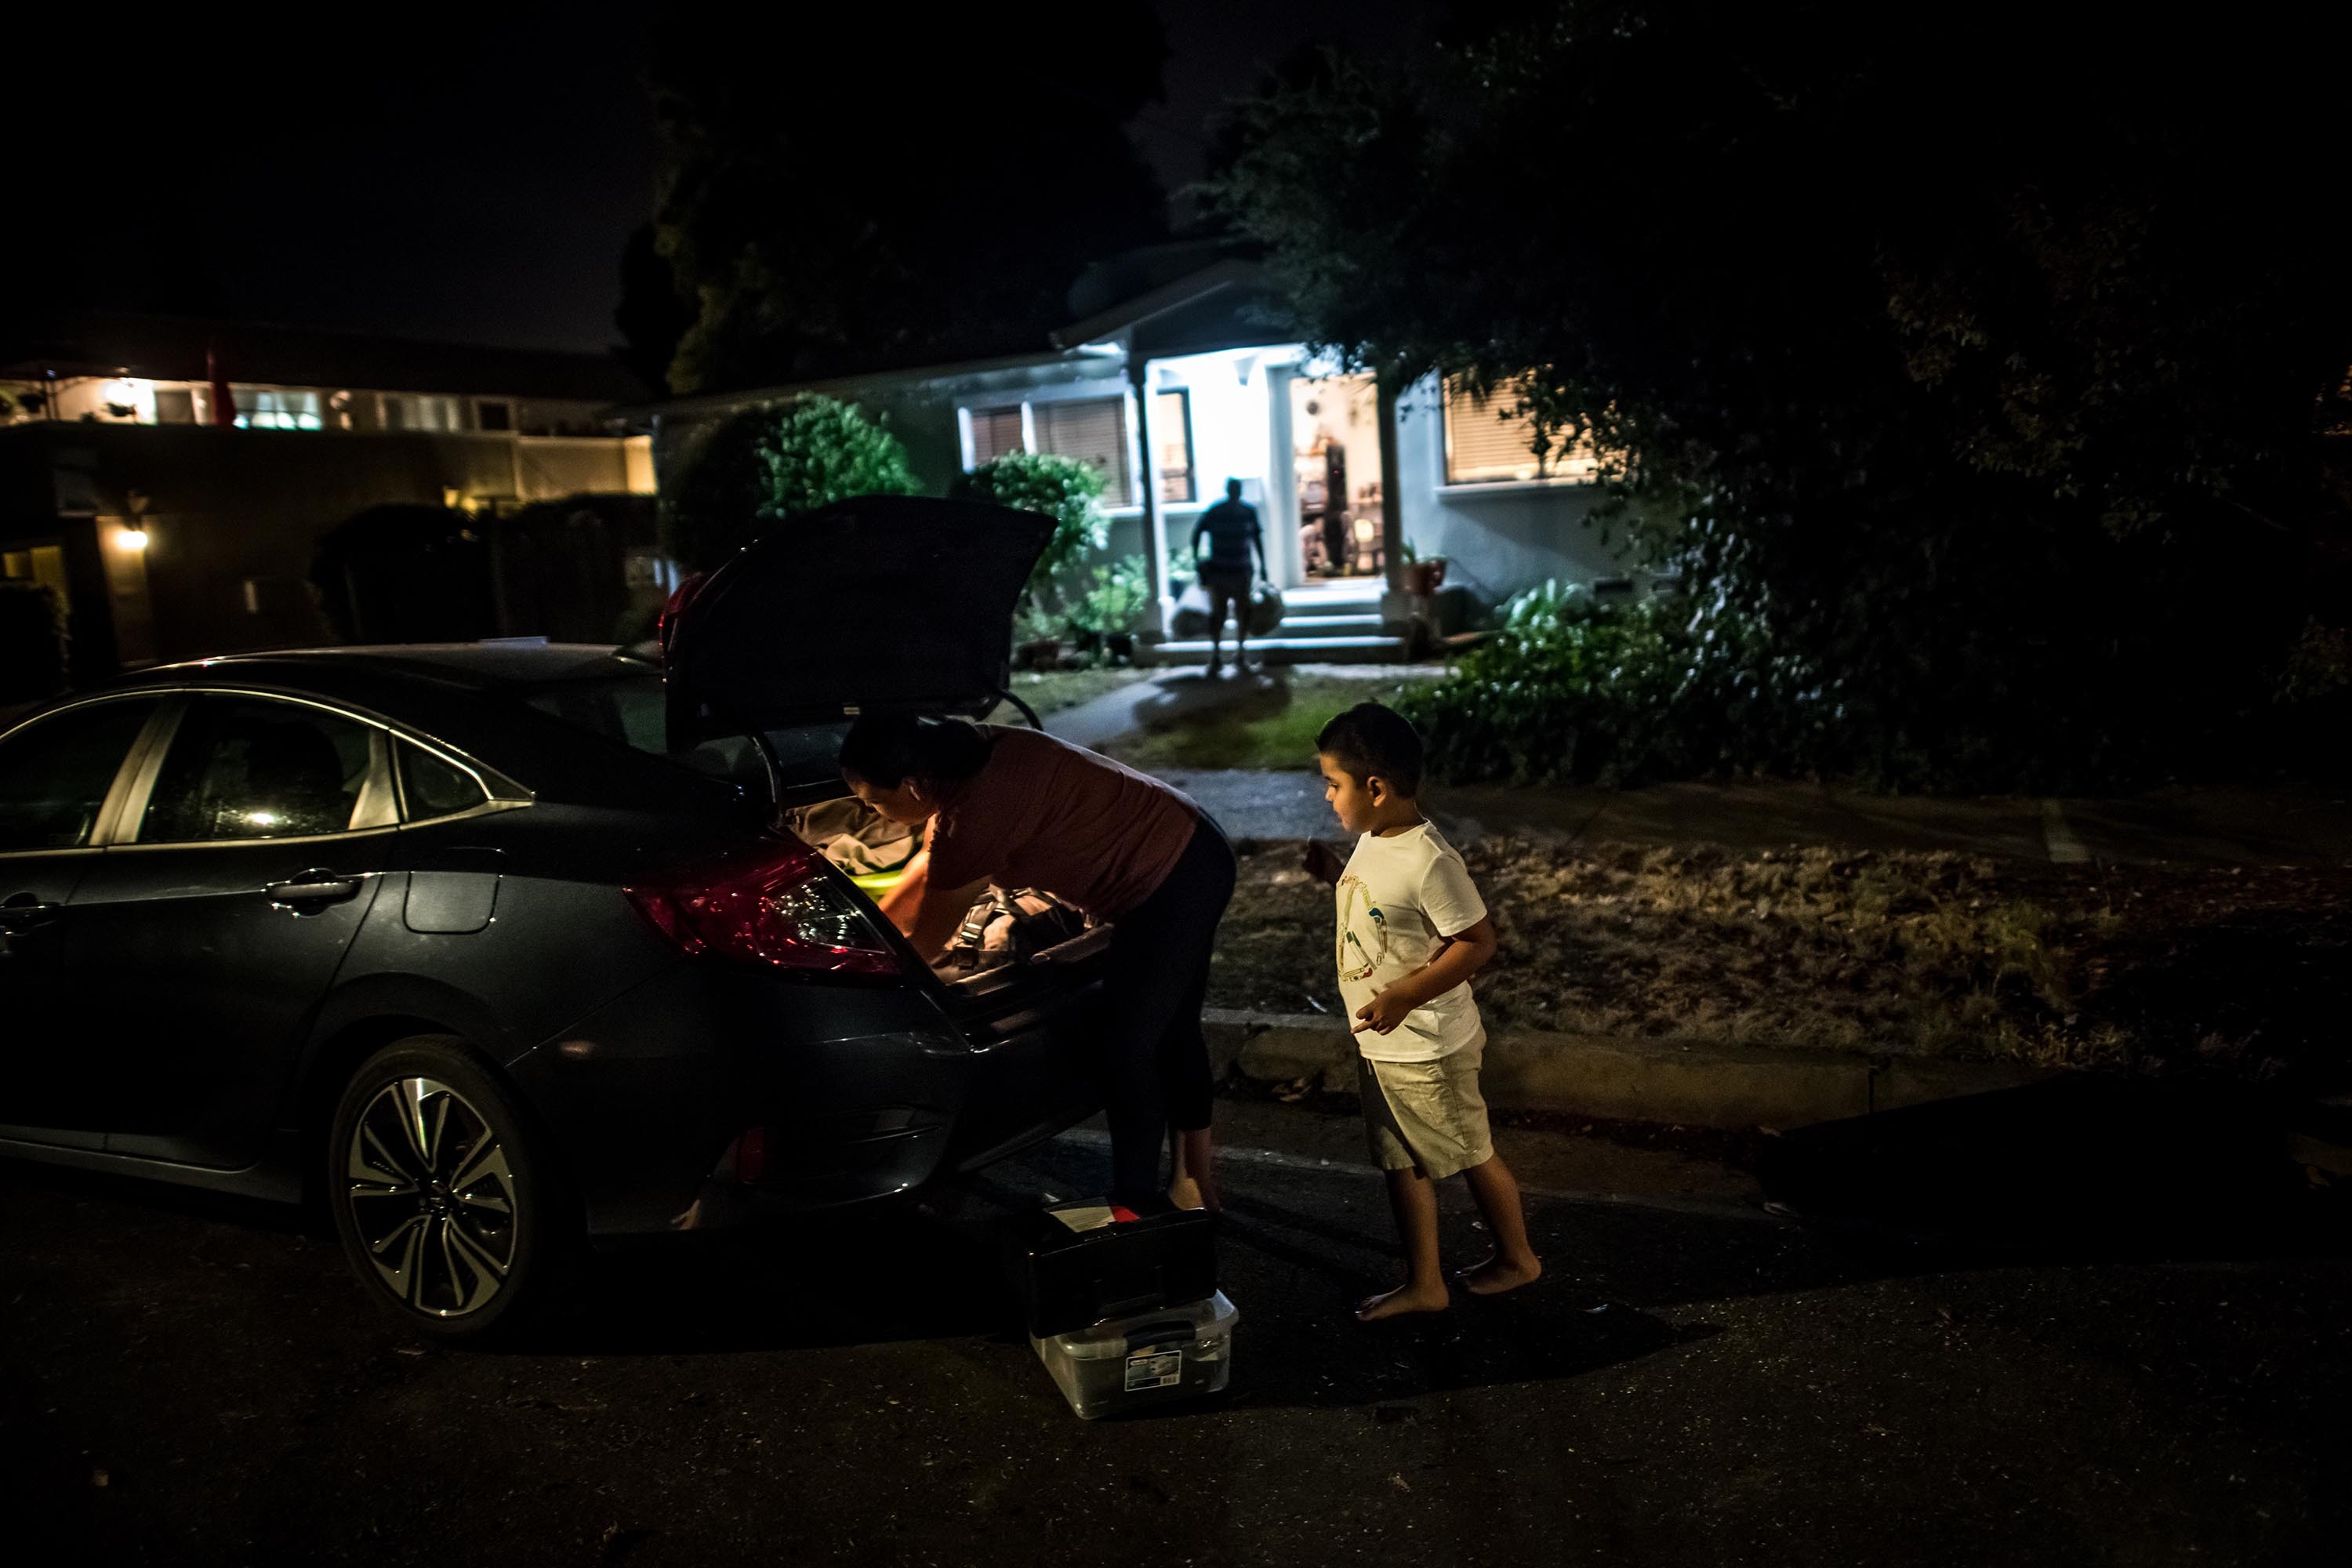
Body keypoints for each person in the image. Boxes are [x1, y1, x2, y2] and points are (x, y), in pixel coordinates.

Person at [839, 713, 1233, 1210]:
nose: (871, 812)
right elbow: (924, 872)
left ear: (914, 786)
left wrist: (857, 979)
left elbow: (926, 941)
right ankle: (1195, 1187)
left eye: (874, 800)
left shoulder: (978, 813)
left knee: (1127, 1049)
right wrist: (869, 931)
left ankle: (1136, 1204)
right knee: (1172, 1030)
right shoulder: (975, 753)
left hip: (1169, 882)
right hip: (1193, 838)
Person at [1308, 702, 1541, 1321]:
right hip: (1384, 1043)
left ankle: (1518, 1258)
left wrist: (1407, 994)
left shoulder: (1429, 859)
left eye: (1334, 784)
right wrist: (1331, 875)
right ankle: (1425, 1282)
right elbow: (1383, 914)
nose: (1328, 798)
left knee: (1470, 1151)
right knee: (1402, 1160)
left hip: (1428, 1046)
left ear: (1376, 788)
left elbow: (1478, 941)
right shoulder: (1373, 840)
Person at [1190, 478, 1266, 677]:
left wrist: (1262, 565)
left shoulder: (1245, 512)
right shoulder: (1217, 511)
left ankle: (1239, 653)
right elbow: (1197, 533)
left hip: (1239, 572)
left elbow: (1256, 538)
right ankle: (1217, 655)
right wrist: (1197, 560)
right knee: (1219, 614)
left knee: (1243, 612)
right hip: (1222, 572)